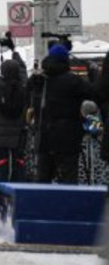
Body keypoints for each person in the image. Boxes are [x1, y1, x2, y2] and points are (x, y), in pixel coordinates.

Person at [30, 44, 109, 184]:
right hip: (68, 139)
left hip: (44, 138)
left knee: (42, 180)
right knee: (68, 180)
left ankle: (41, 205)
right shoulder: (73, 81)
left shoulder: (39, 80)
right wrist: (94, 74)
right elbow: (98, 94)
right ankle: (68, 205)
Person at [0, 45, 28, 183]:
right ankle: (19, 190)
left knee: (2, 161)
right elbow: (22, 69)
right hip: (18, 130)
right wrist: (15, 51)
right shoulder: (23, 85)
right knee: (19, 161)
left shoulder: (0, 86)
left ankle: (3, 192)